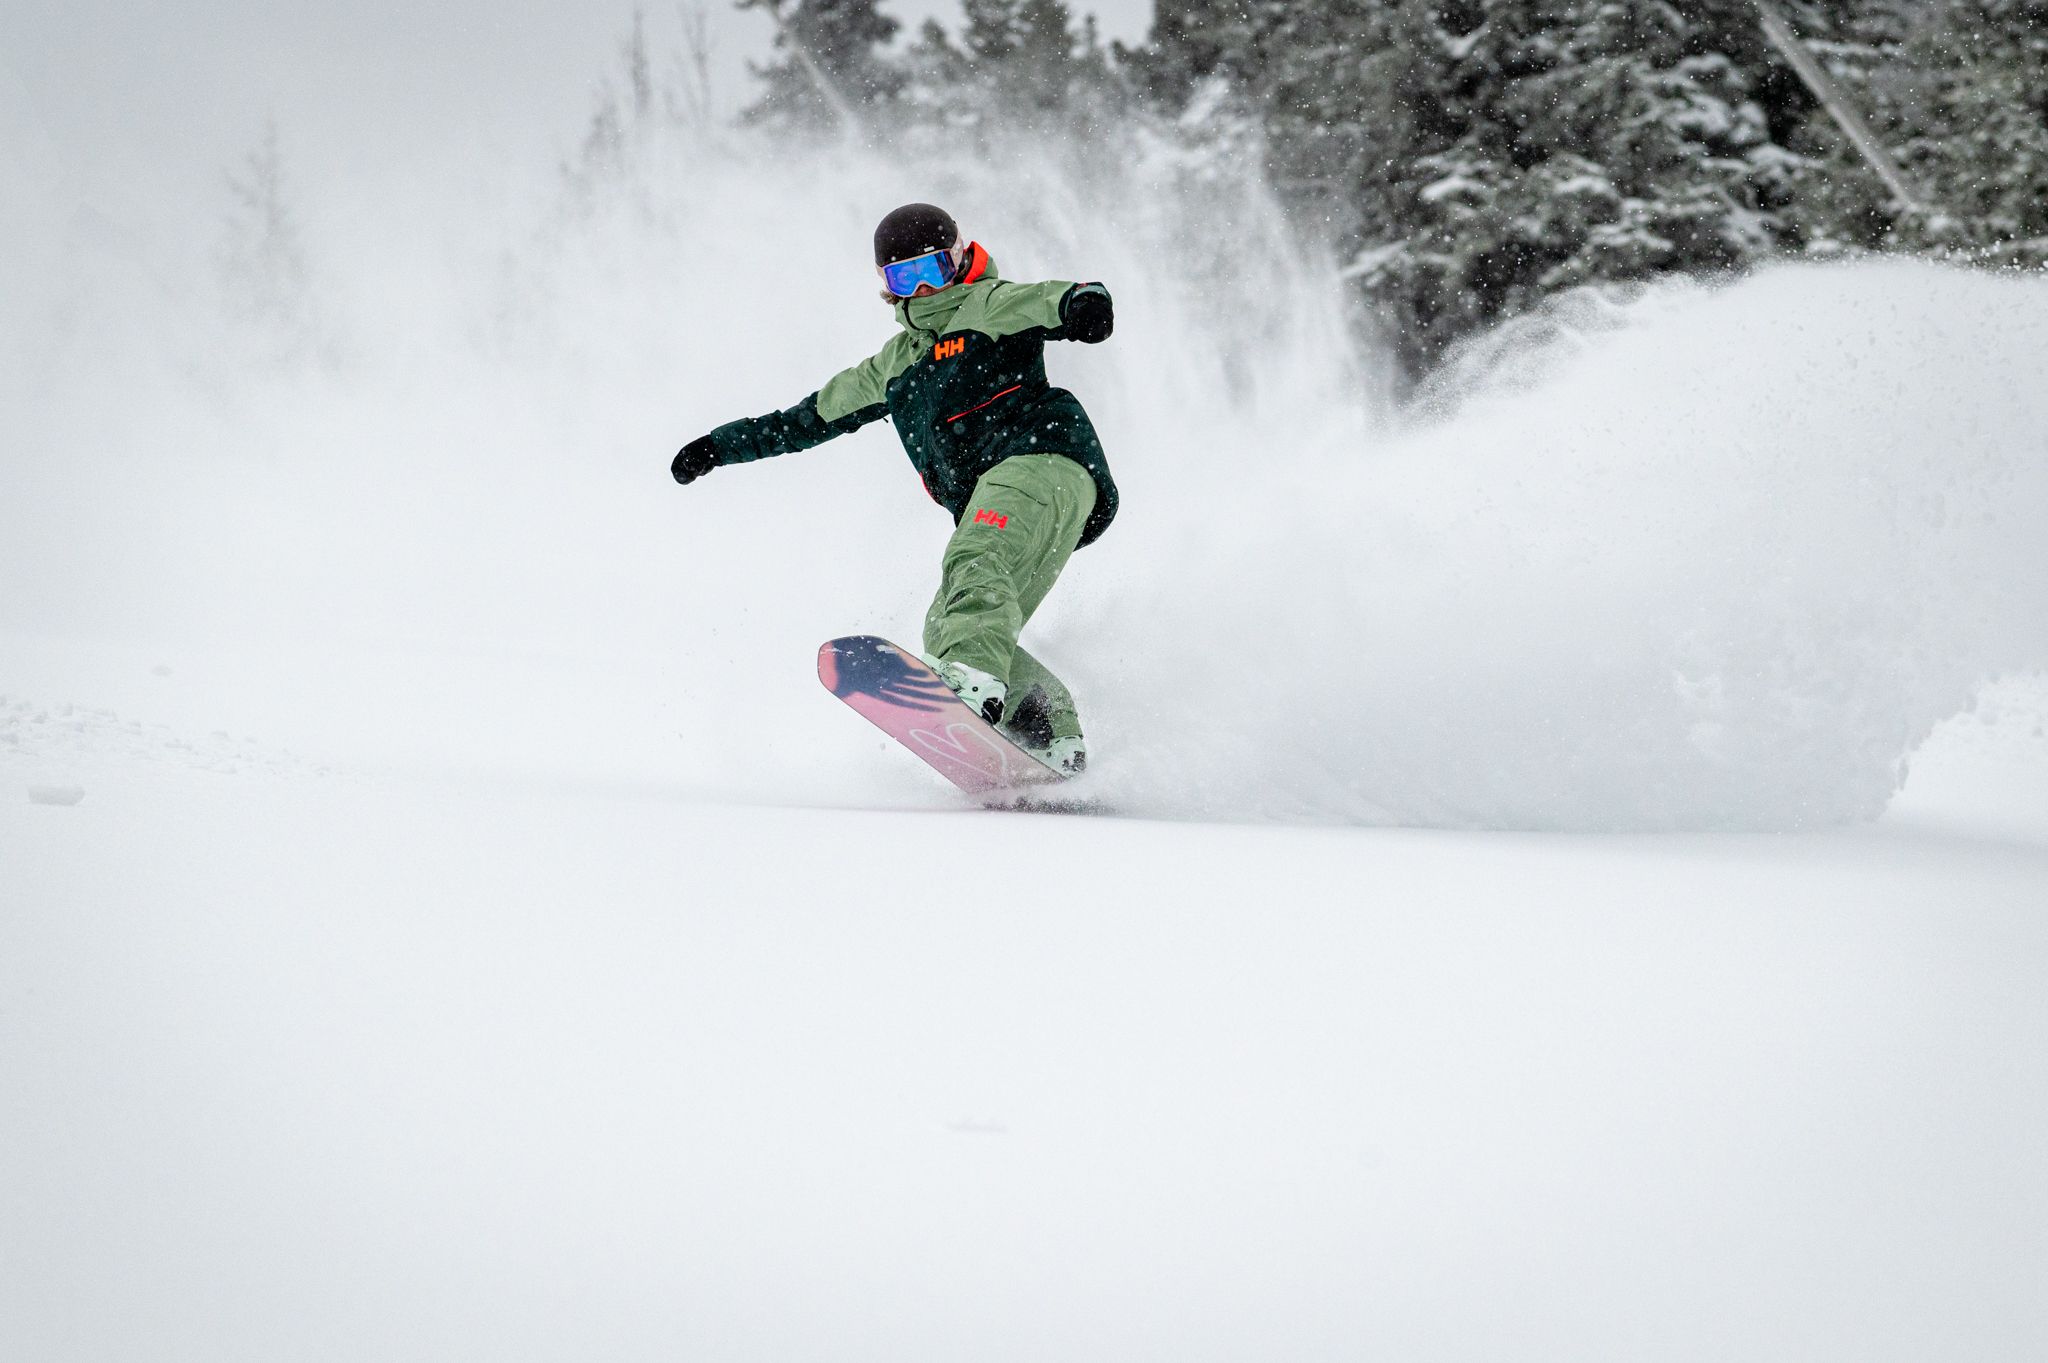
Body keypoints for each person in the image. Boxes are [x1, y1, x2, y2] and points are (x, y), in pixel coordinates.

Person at [672, 202, 1118, 775]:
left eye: (935, 268)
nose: (925, 288)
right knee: (948, 621)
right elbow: (805, 418)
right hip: (1038, 495)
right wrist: (719, 445)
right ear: (888, 288)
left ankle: (973, 686)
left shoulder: (989, 303)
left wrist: (1085, 306)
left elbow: (1067, 295)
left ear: (960, 259)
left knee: (974, 560)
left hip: (1040, 457)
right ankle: (1049, 730)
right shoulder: (893, 365)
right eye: (906, 278)